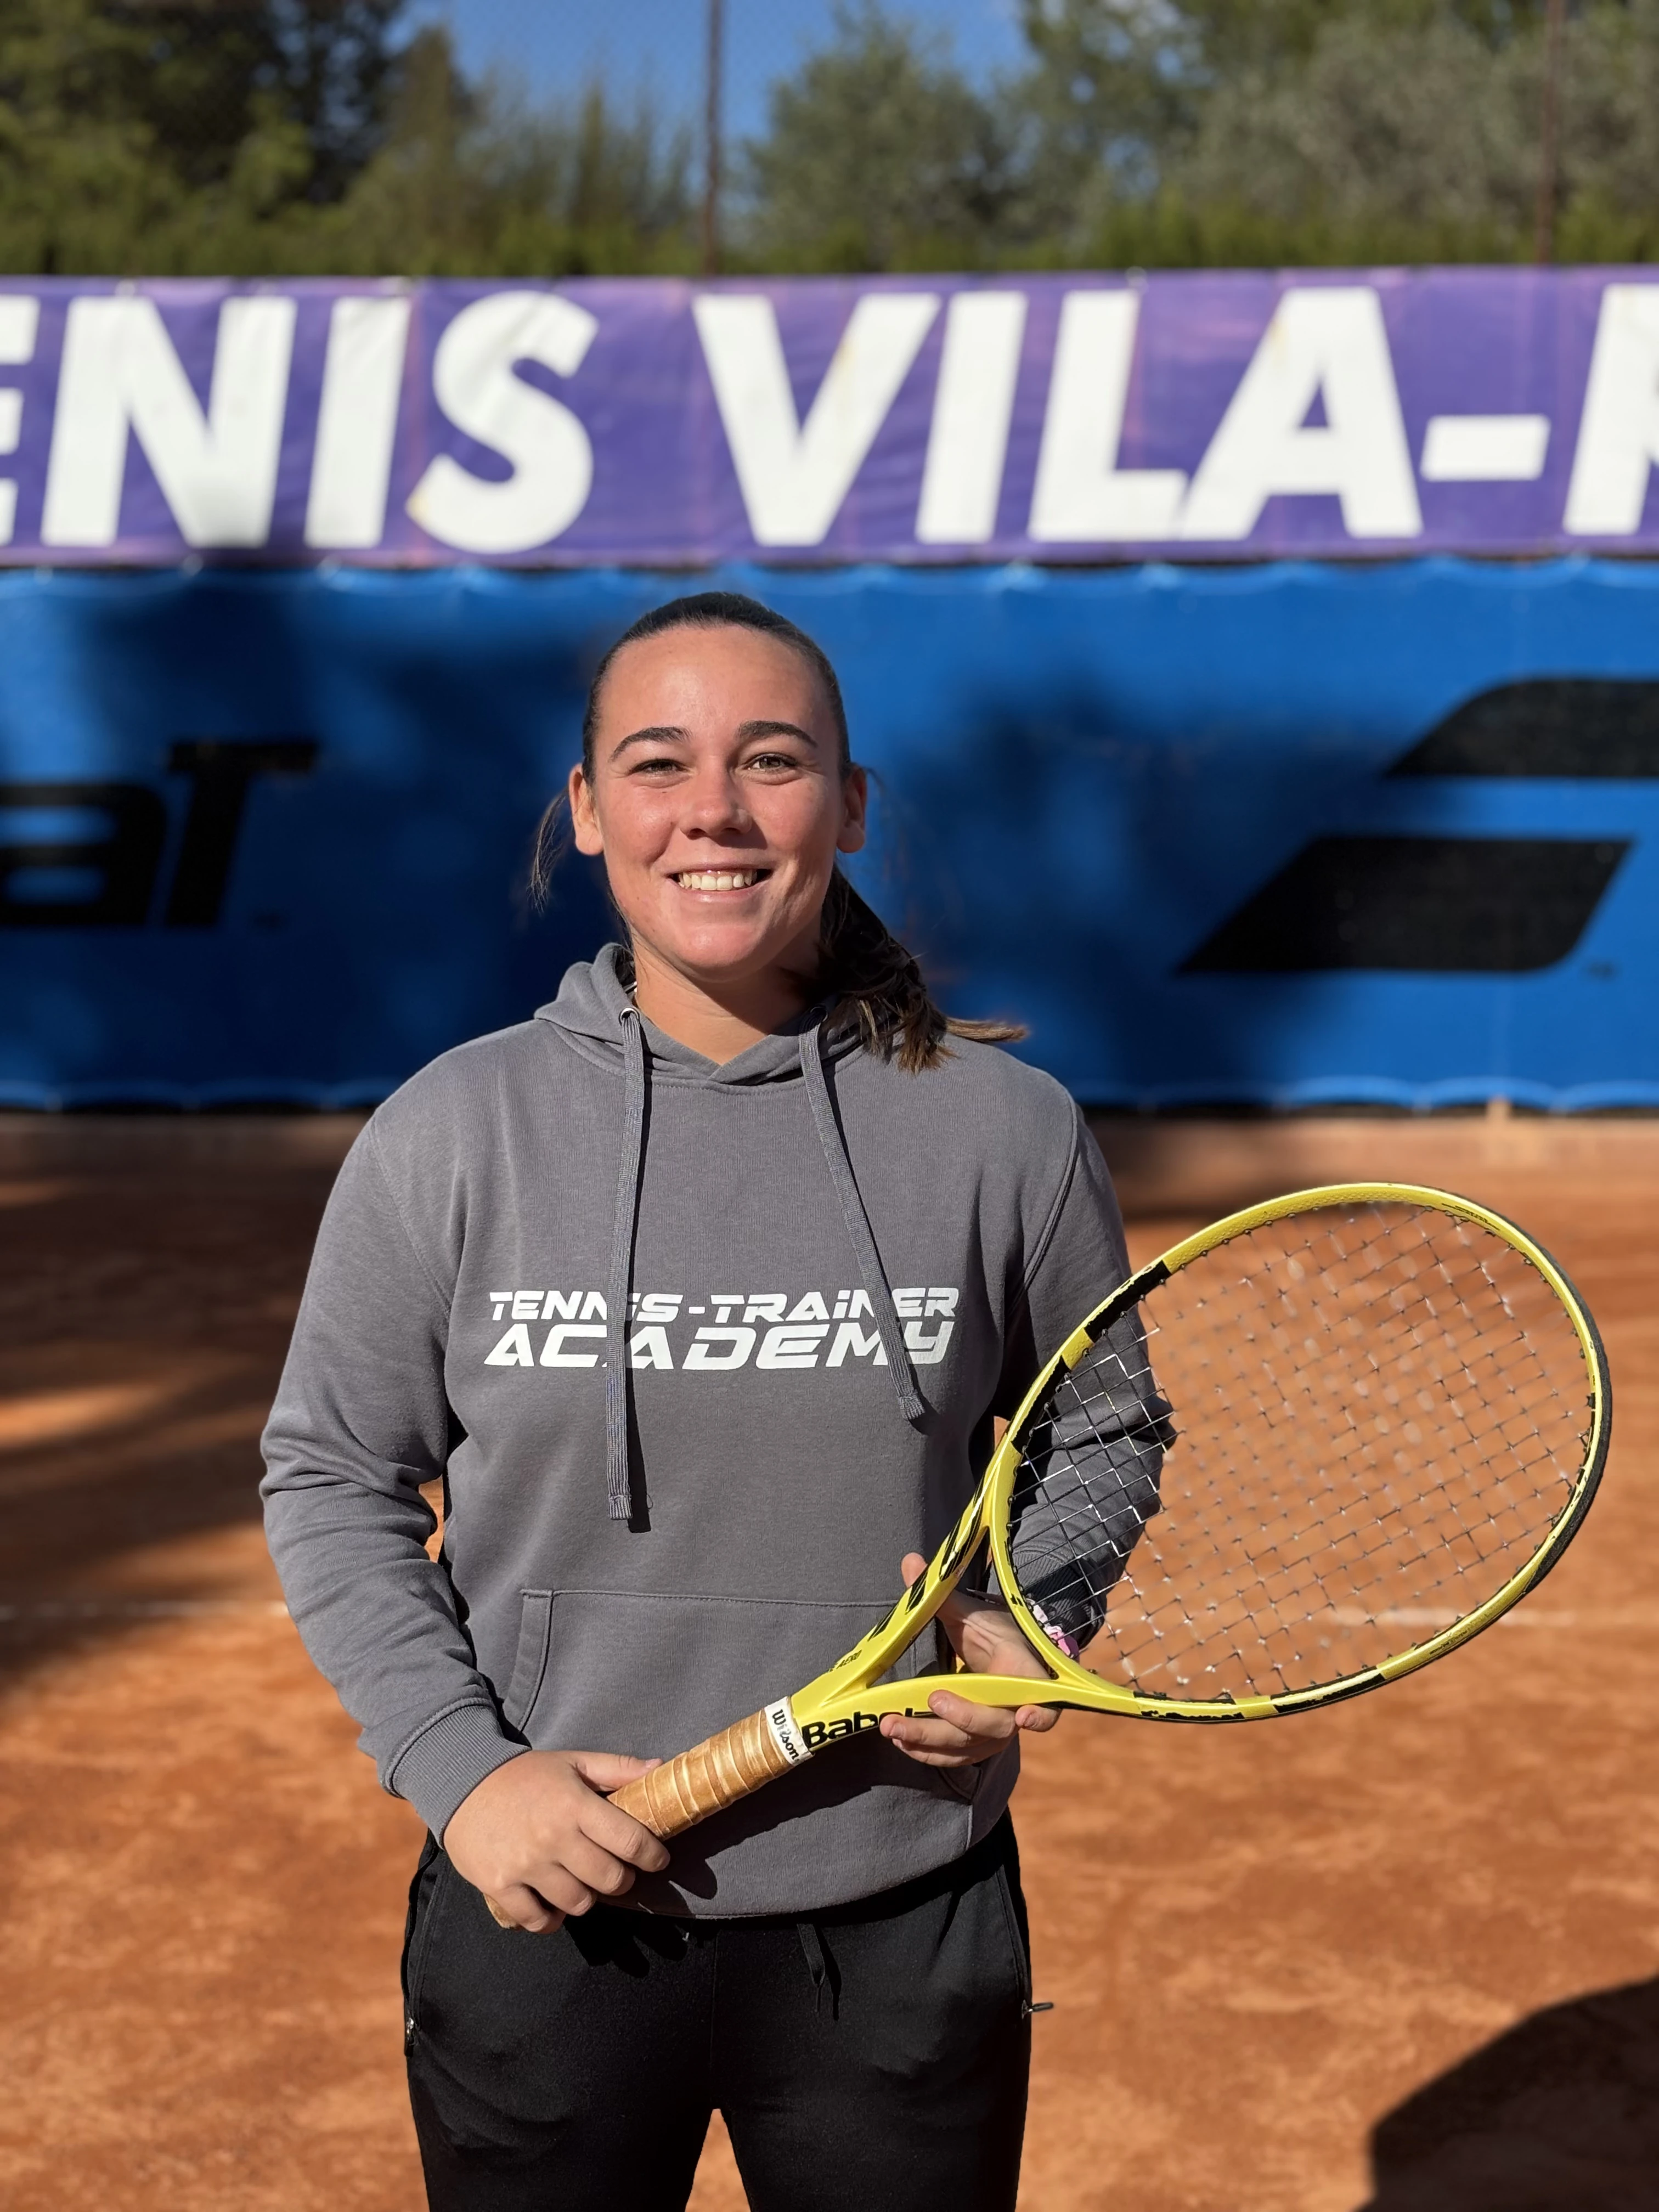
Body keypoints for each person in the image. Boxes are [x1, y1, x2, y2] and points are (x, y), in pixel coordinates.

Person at [261, 591, 1140, 2212]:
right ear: (592, 810)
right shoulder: (453, 1131)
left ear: (852, 804)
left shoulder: (1006, 1132)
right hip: (547, 1920)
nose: (716, 812)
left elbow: (1101, 1426)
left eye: (775, 760)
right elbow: (330, 1476)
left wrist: (1034, 1605)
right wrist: (467, 1771)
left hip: (902, 1913)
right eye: (658, 763)